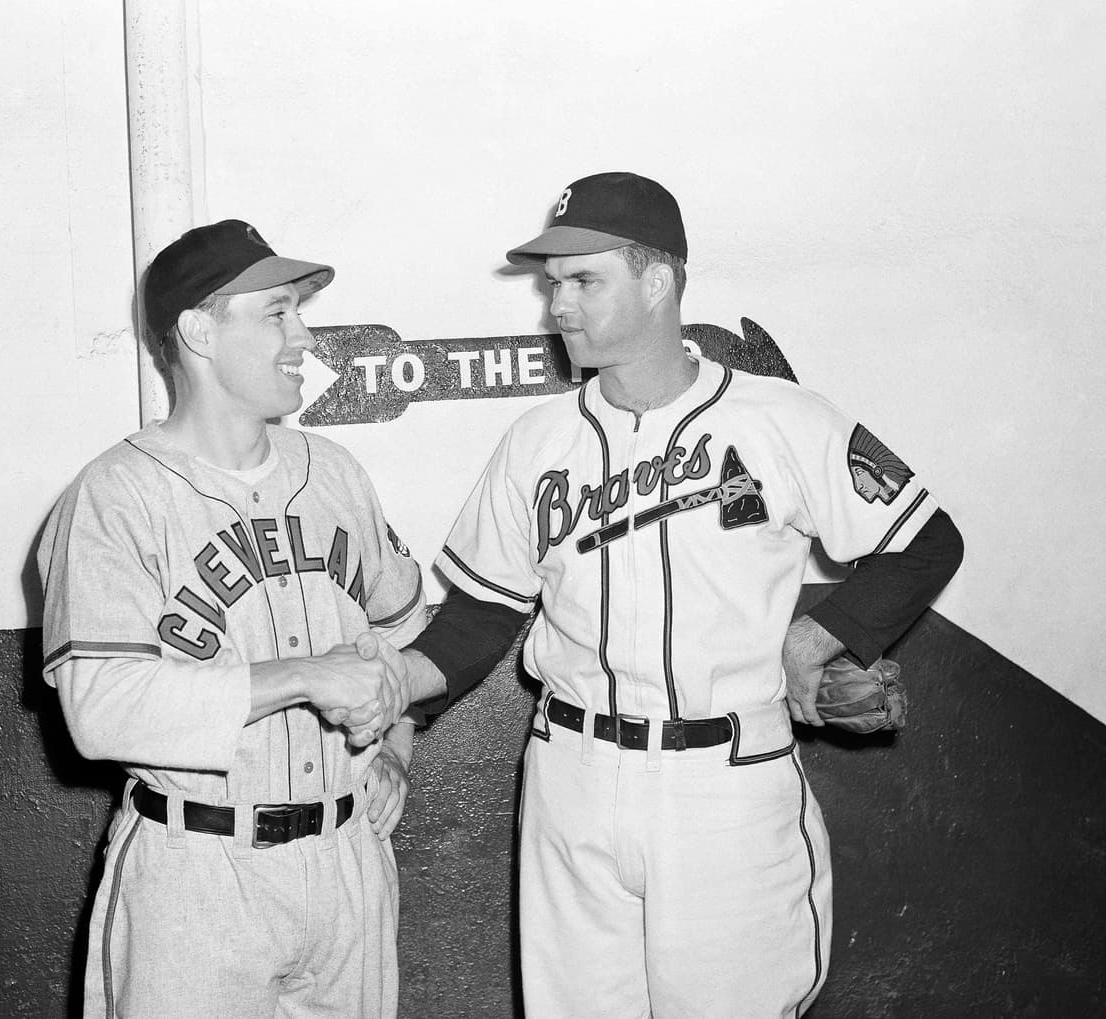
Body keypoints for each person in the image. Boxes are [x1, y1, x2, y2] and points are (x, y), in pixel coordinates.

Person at [396, 172, 965, 1016]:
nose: (559, 305)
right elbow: (483, 612)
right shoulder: (538, 440)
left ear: (657, 280)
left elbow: (925, 541)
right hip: (571, 777)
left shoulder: (782, 418)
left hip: (724, 782)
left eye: (585, 280)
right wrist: (396, 707)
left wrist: (819, 639)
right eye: (554, 284)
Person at [37, 219, 423, 1018]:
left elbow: (404, 640)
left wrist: (395, 745)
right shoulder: (115, 498)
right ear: (198, 331)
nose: (304, 335)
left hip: (347, 860)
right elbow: (100, 711)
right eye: (278, 312)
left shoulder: (336, 472)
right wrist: (303, 677)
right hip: (198, 873)